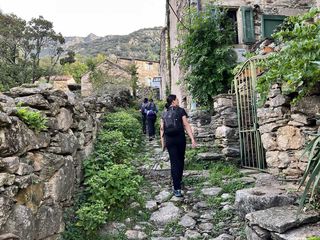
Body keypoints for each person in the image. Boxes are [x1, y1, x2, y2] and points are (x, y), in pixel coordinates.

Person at [160, 94, 197, 197]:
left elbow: (162, 129)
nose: (179, 101)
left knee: (174, 162)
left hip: (169, 140)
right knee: (180, 160)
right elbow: (186, 125)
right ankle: (178, 182)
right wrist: (192, 139)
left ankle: (176, 187)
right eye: (177, 99)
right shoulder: (181, 111)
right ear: (173, 101)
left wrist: (163, 144)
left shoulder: (164, 113)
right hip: (180, 138)